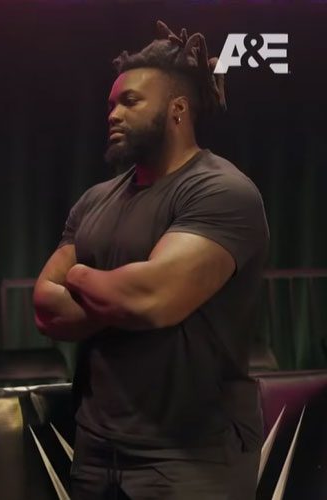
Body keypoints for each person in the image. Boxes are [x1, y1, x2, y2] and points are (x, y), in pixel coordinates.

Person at [33, 21, 269, 499]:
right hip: (97, 450)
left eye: (130, 101)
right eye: (111, 105)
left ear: (177, 109)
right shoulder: (96, 200)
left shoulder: (221, 190)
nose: (114, 114)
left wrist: (79, 277)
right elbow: (45, 307)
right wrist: (117, 298)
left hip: (192, 457)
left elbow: (151, 299)